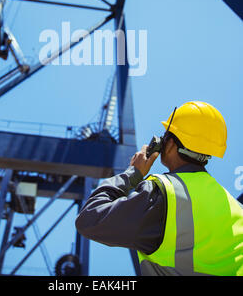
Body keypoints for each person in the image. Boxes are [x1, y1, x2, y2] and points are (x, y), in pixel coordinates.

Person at [75, 101, 243, 276]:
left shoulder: (164, 192)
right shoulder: (237, 208)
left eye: (165, 136)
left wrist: (133, 173)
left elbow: (89, 219)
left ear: (169, 144)